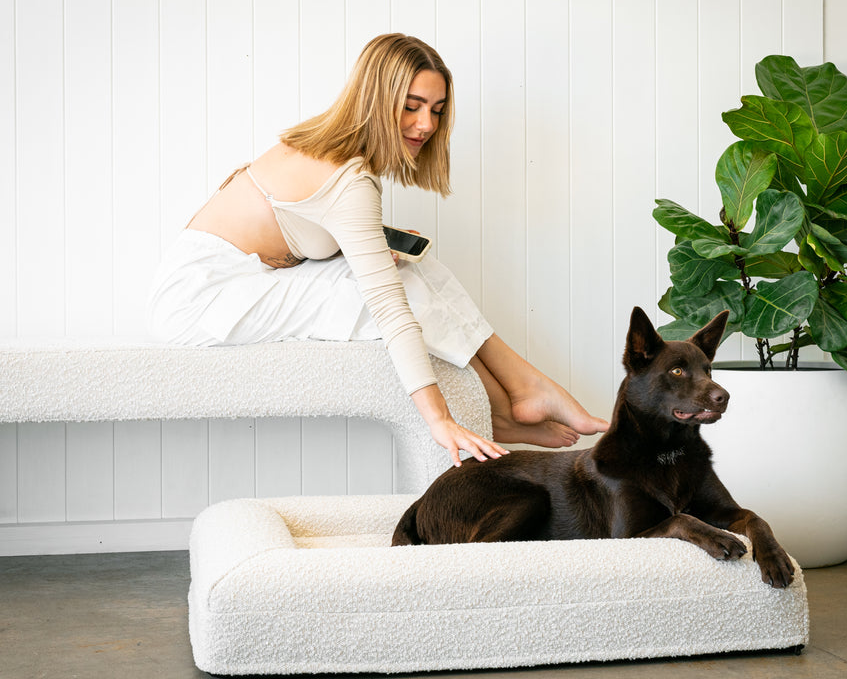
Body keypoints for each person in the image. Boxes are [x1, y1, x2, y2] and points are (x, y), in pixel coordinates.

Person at [148, 33, 608, 467]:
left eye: (438, 110)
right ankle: (509, 408)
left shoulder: (325, 144)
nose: (426, 124)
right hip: (201, 298)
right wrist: (439, 418)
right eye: (412, 107)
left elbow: (295, 230)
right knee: (402, 289)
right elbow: (389, 308)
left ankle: (523, 387)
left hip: (245, 277)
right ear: (377, 99)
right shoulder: (349, 180)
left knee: (418, 264)